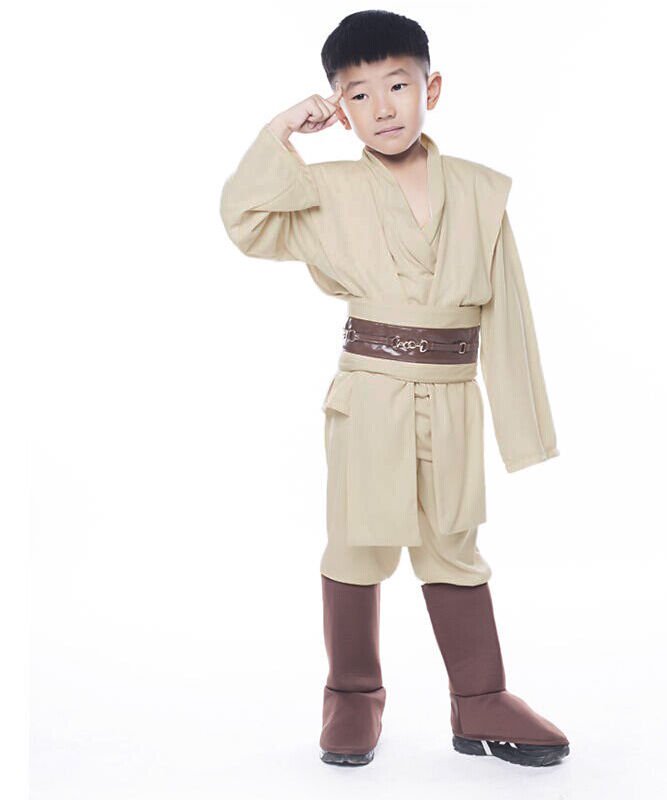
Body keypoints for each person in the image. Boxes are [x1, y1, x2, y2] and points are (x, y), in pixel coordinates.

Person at [219, 9, 569, 769]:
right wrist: (280, 131)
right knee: (356, 539)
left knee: (454, 543)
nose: (382, 107)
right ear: (339, 110)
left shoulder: (479, 192)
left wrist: (524, 432)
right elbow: (244, 221)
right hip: (369, 397)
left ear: (430, 90)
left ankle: (480, 699)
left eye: (398, 86)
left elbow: (509, 313)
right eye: (359, 94)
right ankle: (352, 693)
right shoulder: (326, 192)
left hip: (451, 395)